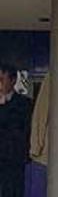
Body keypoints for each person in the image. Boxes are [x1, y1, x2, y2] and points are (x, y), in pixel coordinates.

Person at [0, 64, 32, 197]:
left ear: (13, 81)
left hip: (12, 159)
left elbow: (17, 128)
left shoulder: (23, 103)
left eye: (2, 79)